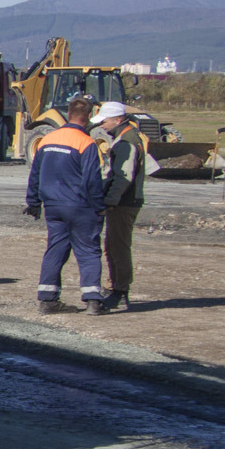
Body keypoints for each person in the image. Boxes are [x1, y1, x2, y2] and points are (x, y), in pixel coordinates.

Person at [25, 93, 108, 314]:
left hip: (53, 206)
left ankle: (48, 299)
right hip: (80, 207)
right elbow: (92, 180)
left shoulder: (49, 140)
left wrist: (33, 201)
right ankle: (92, 300)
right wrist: (100, 206)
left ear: (68, 114)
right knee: (89, 251)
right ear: (89, 116)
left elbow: (35, 173)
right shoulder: (86, 143)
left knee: (55, 249)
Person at [91, 102, 147, 310]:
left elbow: (123, 178)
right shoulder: (128, 137)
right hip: (125, 201)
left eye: (104, 121)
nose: (101, 126)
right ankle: (116, 287)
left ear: (117, 120)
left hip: (124, 203)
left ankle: (120, 292)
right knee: (114, 246)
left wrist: (109, 201)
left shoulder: (126, 142)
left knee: (118, 247)